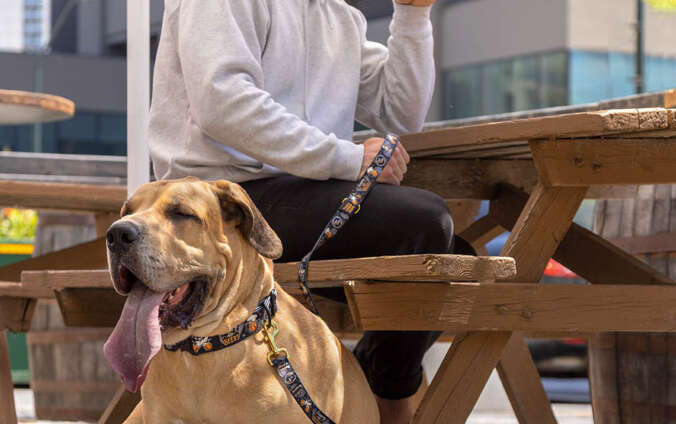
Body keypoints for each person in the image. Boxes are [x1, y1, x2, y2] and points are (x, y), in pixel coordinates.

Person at [147, 1, 474, 422]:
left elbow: (402, 114)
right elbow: (222, 102)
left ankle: (380, 376)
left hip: (302, 195)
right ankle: (389, 395)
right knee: (425, 223)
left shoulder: (339, 14)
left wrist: (412, 14)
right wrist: (347, 159)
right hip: (219, 205)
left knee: (460, 262)